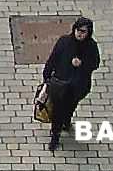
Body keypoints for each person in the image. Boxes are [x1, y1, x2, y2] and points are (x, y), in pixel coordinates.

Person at [42, 18, 101, 151]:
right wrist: (46, 76)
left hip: (78, 86)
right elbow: (53, 58)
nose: (80, 34)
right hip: (60, 84)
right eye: (78, 30)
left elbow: (95, 63)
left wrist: (82, 64)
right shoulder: (64, 42)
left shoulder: (91, 46)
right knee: (57, 110)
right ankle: (55, 135)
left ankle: (66, 121)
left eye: (83, 32)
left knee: (70, 107)